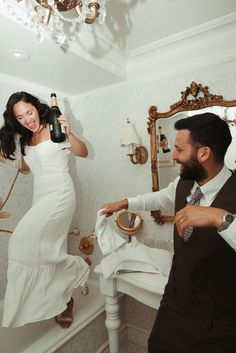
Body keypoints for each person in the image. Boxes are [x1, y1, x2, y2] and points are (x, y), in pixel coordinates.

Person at [101, 112, 236, 353]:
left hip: (218, 321)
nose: (173, 156)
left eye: (179, 150)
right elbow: (161, 197)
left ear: (204, 153)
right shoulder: (184, 183)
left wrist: (219, 217)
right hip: (174, 306)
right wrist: (125, 202)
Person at [0, 91, 90, 328]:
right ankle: (64, 300)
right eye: (20, 118)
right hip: (40, 194)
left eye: (28, 112)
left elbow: (83, 152)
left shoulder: (54, 126)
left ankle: (77, 269)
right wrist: (4, 158)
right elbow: (28, 168)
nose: (27, 119)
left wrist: (70, 132)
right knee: (48, 247)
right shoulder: (27, 139)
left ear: (36, 107)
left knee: (20, 241)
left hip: (60, 193)